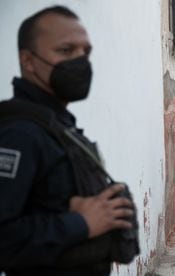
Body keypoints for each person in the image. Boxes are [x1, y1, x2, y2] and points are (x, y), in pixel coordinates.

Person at [0, 6, 138, 275]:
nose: (80, 60)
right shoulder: (20, 134)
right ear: (28, 61)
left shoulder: (58, 126)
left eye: (85, 52)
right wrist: (81, 223)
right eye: (65, 50)